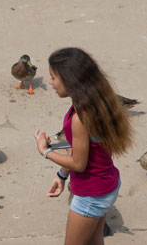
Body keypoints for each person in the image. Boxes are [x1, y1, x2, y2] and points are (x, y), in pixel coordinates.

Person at [34, 47, 132, 245]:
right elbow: (79, 150)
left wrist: (45, 151)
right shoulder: (94, 103)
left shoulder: (80, 118)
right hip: (106, 185)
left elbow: (78, 163)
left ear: (70, 79)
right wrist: (62, 175)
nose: (51, 83)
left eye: (53, 77)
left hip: (92, 195)